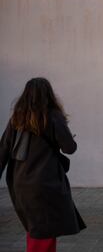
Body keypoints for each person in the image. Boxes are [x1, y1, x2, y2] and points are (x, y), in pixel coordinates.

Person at [0, 77, 86, 252]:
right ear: (49, 95)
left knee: (36, 229)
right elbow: (69, 148)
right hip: (46, 183)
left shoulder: (17, 118)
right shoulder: (53, 116)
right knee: (43, 233)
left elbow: (3, 150)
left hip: (20, 183)